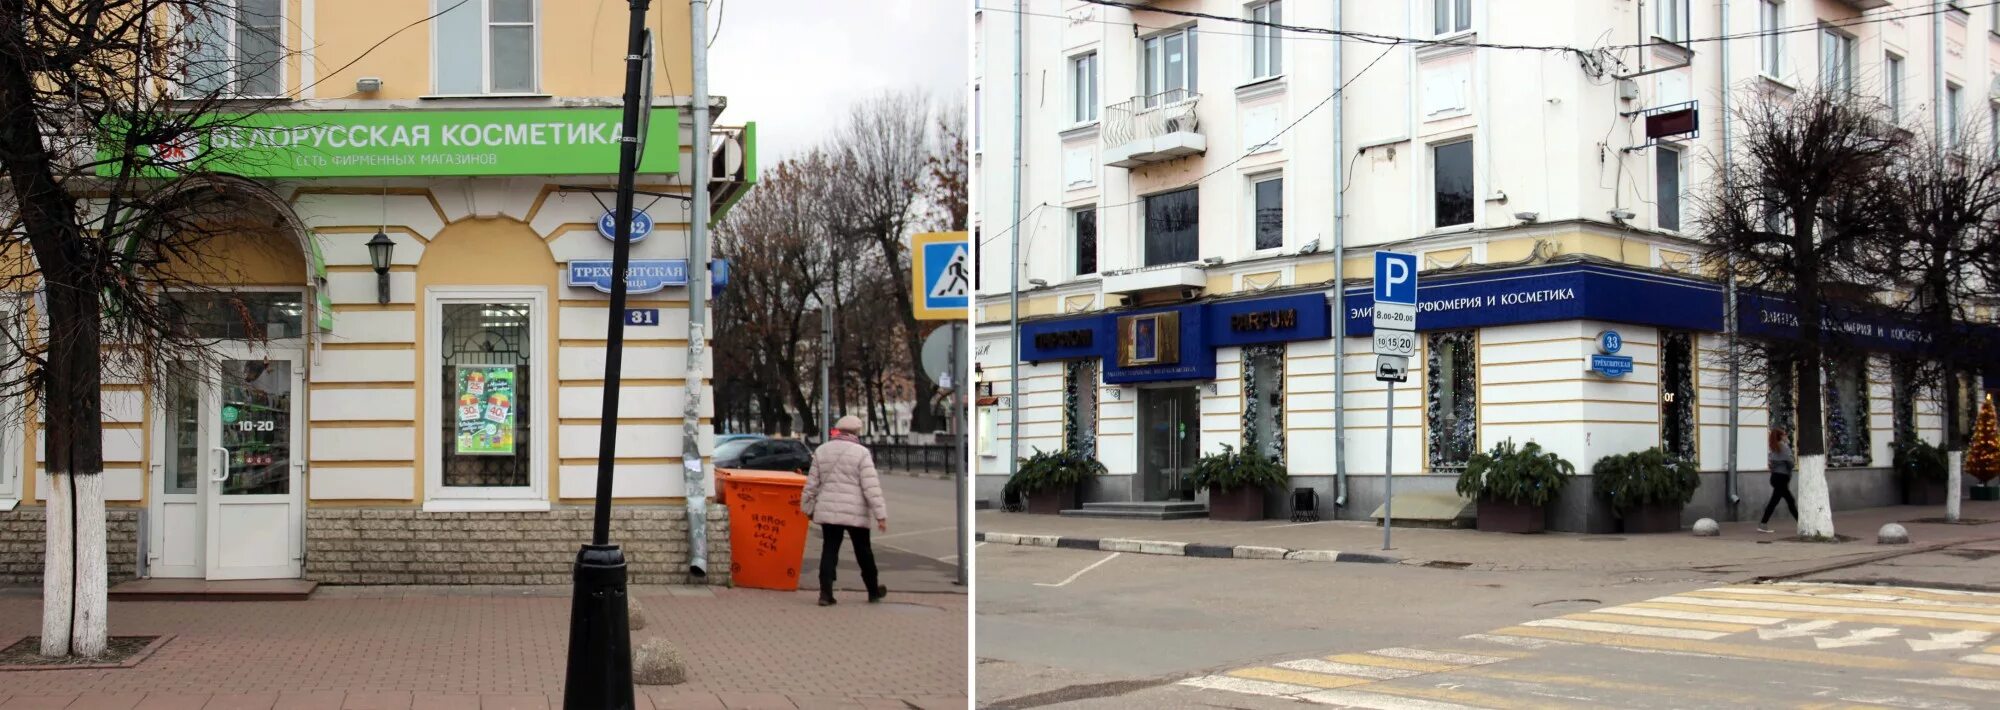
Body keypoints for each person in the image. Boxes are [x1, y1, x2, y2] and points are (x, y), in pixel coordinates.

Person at [800, 415, 889, 606]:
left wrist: (806, 507)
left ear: (838, 430)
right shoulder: (861, 453)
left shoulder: (822, 450)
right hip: (855, 512)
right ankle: (873, 591)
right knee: (863, 551)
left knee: (830, 550)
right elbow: (871, 487)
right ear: (857, 432)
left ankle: (825, 593)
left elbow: (812, 484)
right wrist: (880, 515)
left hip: (828, 510)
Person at [1761, 426, 1799, 533]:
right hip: (1781, 478)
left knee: (1776, 501)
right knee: (1789, 500)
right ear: (1781, 436)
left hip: (1776, 477)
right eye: (1784, 434)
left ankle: (1763, 523)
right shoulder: (1783, 447)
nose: (1786, 436)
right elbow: (1790, 463)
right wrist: (1788, 445)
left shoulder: (1774, 447)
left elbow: (1772, 463)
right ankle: (1801, 523)